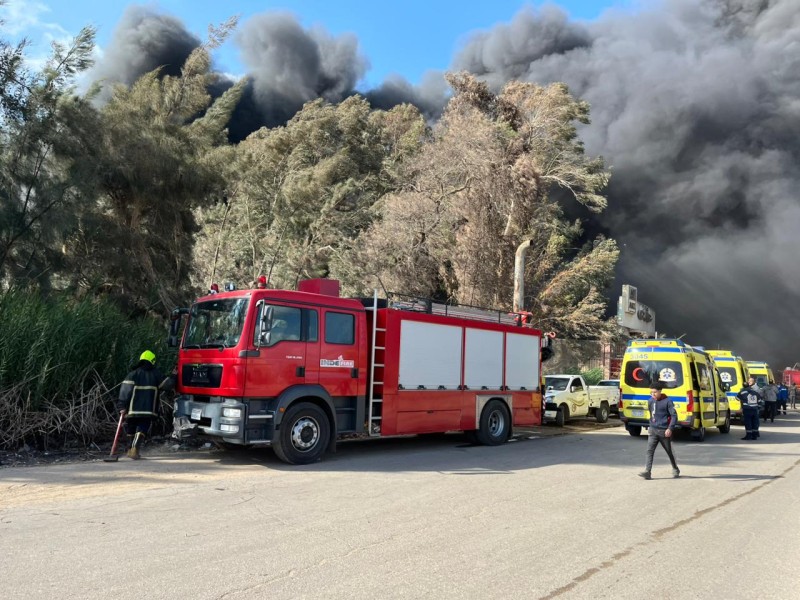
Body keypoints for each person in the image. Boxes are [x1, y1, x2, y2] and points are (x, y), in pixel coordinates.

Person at [117, 350, 175, 459]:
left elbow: (124, 391)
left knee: (131, 427)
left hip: (132, 410)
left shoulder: (132, 374)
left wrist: (121, 406)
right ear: (152, 361)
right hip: (148, 410)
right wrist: (173, 376)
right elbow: (167, 385)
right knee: (142, 428)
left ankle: (130, 449)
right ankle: (135, 450)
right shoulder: (156, 373)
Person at [639, 382, 680, 480]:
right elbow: (651, 415)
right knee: (649, 451)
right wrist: (651, 426)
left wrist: (670, 428)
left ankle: (675, 468)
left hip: (664, 431)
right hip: (653, 431)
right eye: (651, 392)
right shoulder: (650, 401)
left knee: (669, 451)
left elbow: (674, 416)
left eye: (654, 392)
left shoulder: (668, 401)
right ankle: (647, 472)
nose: (652, 394)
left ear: (660, 391)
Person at [737, 376, 763, 440]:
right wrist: (758, 408)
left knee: (748, 422)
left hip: (747, 409)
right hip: (755, 409)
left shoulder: (742, 392)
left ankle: (748, 435)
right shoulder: (755, 392)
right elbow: (760, 401)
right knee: (755, 422)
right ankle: (755, 435)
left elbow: (737, 398)